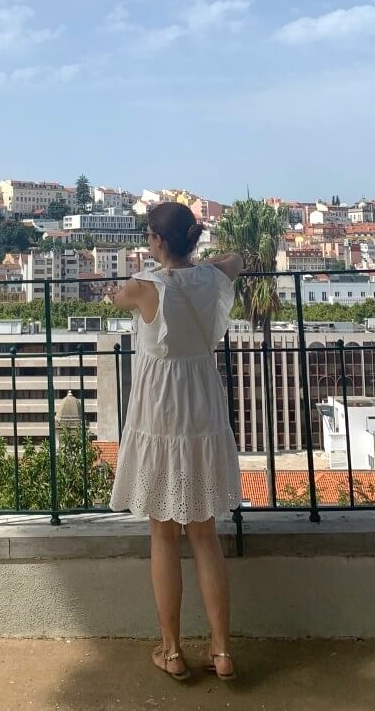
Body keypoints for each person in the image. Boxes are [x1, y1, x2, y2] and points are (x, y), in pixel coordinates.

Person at [109, 202, 244, 682]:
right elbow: (237, 261)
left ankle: (171, 650)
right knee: (205, 535)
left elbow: (117, 298)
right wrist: (199, 263)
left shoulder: (147, 286)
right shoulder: (211, 278)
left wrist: (150, 270)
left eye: (150, 236)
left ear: (157, 241)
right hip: (202, 404)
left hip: (162, 411)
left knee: (164, 532)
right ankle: (222, 651)